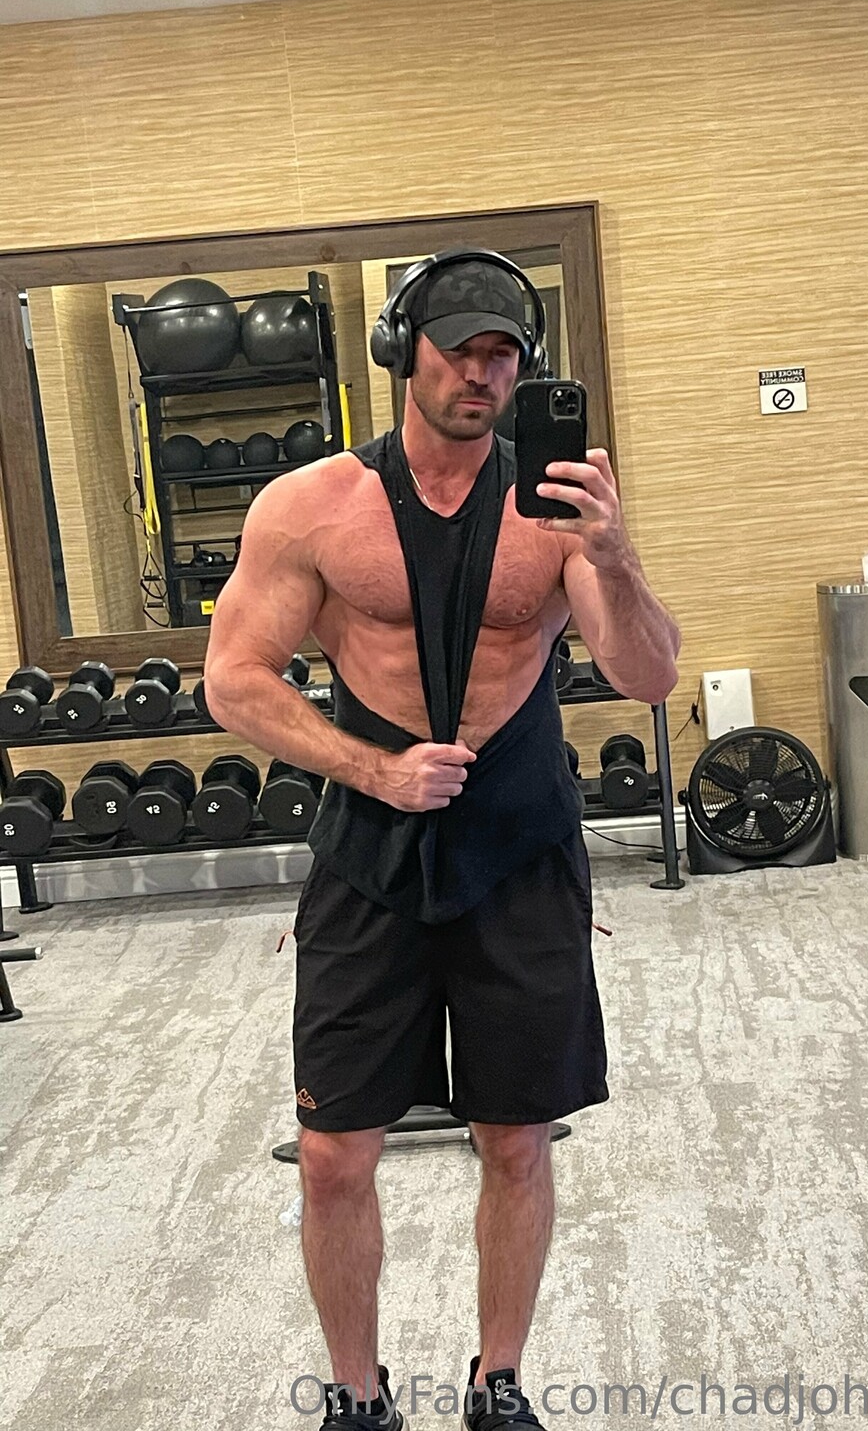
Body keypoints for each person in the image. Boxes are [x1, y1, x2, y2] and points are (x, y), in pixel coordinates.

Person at [202, 248, 681, 1431]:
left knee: (516, 1141)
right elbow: (235, 679)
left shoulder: (554, 508)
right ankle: (357, 1395)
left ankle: (496, 1380)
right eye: (460, 347)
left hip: (520, 851)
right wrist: (376, 770)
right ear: (400, 350)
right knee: (333, 1153)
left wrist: (612, 553)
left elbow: (648, 675)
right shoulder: (311, 507)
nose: (482, 372)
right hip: (371, 854)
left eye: (502, 354)